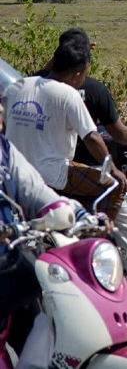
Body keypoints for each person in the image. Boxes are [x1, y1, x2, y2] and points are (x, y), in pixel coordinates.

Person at [37, 28, 127, 313]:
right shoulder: (93, 90)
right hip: (89, 174)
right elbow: (117, 134)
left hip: (44, 174)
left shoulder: (34, 83)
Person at [3, 38, 127, 223]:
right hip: (55, 173)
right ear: (77, 75)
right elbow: (91, 137)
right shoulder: (68, 94)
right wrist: (113, 169)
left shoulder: (17, 87)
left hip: (15, 173)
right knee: (115, 185)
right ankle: (95, 231)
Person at [0, 131, 81, 357]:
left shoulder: (4, 150)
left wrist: (76, 213)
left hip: (12, 269)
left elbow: (36, 191)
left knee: (41, 347)